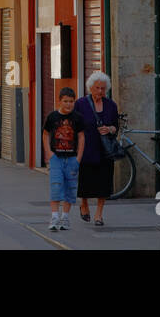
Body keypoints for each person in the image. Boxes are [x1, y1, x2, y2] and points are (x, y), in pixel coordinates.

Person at [74, 71, 120, 226]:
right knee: (85, 181)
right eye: (97, 88)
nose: (100, 91)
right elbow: (75, 126)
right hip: (86, 148)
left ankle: (99, 214)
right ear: (90, 88)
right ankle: (84, 204)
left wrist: (110, 129)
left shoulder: (111, 105)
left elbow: (116, 127)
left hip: (104, 150)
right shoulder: (81, 104)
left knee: (104, 183)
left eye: (103, 88)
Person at [43, 86, 86, 231]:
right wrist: (49, 153)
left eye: (72, 101)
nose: (69, 104)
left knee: (70, 189)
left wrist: (78, 158)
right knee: (56, 187)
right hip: (56, 159)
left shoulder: (78, 118)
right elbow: (45, 134)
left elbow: (81, 137)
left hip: (72, 159)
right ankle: (54, 217)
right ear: (59, 101)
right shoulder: (52, 117)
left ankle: (65, 218)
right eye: (66, 101)